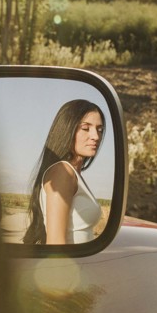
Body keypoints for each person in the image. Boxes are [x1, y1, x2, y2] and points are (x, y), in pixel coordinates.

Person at [23, 99, 106, 245]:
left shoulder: (72, 173)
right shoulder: (63, 172)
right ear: (68, 129)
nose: (96, 136)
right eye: (86, 128)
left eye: (99, 129)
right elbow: (55, 243)